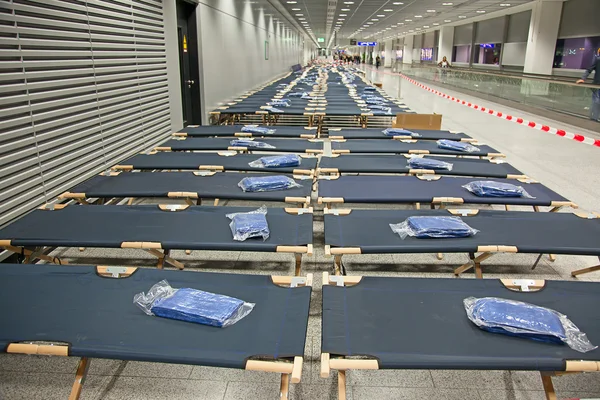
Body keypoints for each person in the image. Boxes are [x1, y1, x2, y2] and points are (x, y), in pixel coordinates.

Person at [576, 48, 600, 122]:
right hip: (597, 85)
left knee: (596, 101)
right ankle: (594, 118)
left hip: (597, 84)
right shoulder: (598, 60)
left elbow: (589, 69)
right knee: (596, 101)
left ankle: (594, 118)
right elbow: (589, 69)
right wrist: (583, 78)